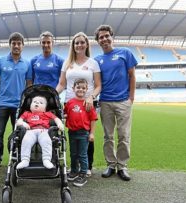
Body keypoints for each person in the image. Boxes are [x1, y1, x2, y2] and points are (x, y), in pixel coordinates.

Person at [94, 25, 138, 181]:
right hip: (105, 102)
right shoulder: (97, 60)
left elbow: (132, 76)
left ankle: (122, 166)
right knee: (108, 136)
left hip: (123, 101)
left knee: (124, 135)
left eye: (107, 36)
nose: (104, 39)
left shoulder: (125, 53)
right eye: (101, 37)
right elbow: (96, 82)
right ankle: (111, 164)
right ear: (98, 41)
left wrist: (131, 97)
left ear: (112, 37)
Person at [56, 32, 101, 177]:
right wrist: (52, 95)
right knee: (73, 135)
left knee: (87, 136)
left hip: (87, 103)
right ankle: (74, 168)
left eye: (82, 42)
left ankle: (87, 167)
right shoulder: (67, 62)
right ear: (73, 46)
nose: (79, 45)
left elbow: (99, 85)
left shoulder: (93, 63)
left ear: (87, 44)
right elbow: (62, 84)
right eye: (76, 43)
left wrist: (91, 97)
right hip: (69, 103)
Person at [0, 32, 32, 171]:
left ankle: (19, 160)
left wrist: (27, 104)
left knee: (21, 134)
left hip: (19, 106)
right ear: (10, 45)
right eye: (13, 43)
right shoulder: (0, 61)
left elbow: (29, 85)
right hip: (2, 104)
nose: (16, 46)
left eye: (19, 43)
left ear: (22, 46)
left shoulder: (27, 63)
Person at [64, 79, 97, 187]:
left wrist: (92, 133)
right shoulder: (69, 103)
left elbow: (93, 119)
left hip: (83, 133)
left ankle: (83, 173)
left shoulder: (88, 103)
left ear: (87, 89)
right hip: (72, 132)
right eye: (78, 87)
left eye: (83, 88)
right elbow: (65, 114)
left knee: (82, 154)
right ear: (73, 89)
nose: (81, 90)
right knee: (73, 153)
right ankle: (74, 171)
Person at [15, 96, 64, 169]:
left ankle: (46, 159)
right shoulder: (27, 113)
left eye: (41, 103)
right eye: (34, 102)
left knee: (46, 141)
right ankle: (25, 160)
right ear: (30, 105)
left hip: (44, 130)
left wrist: (60, 124)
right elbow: (18, 122)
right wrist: (23, 123)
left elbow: (57, 119)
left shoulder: (47, 113)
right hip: (30, 131)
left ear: (45, 107)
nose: (37, 103)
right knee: (26, 141)